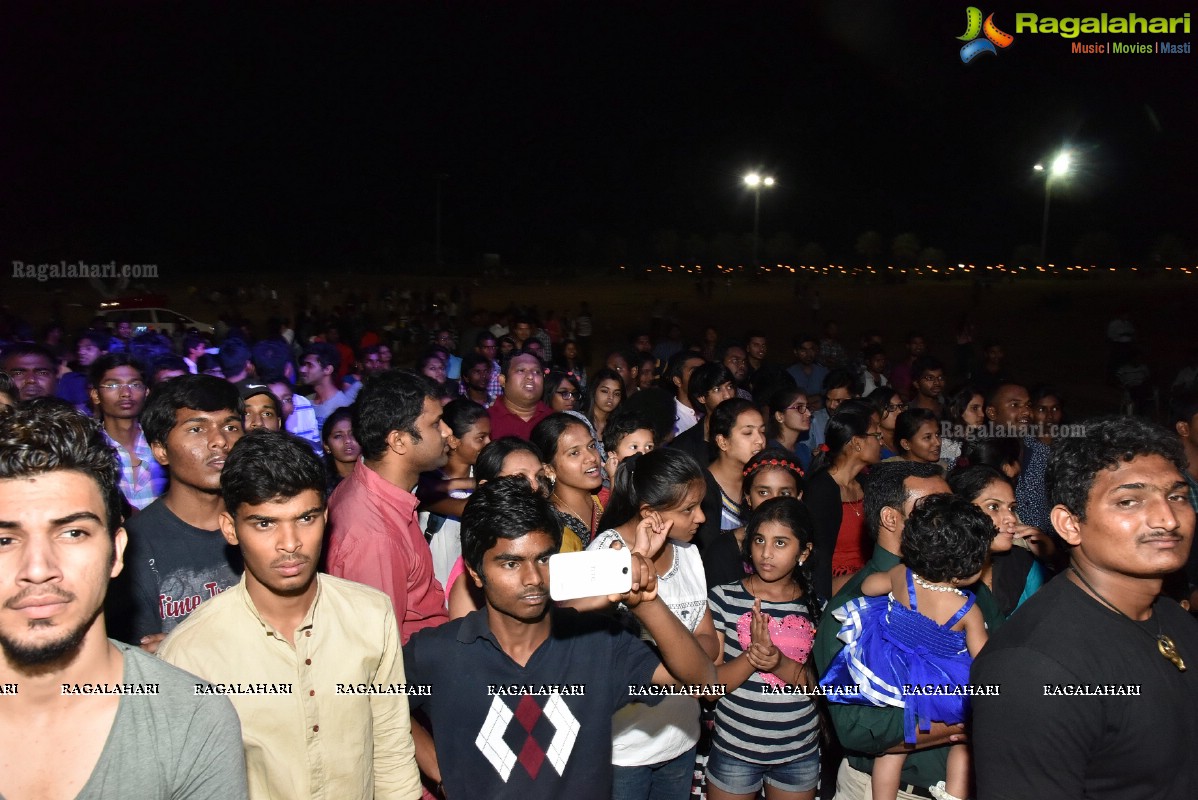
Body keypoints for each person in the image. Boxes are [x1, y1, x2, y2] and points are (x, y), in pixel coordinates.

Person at [402, 476, 719, 798]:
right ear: (474, 572)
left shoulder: (597, 643)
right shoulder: (438, 653)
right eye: (511, 563)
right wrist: (438, 769)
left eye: (544, 558)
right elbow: (376, 699)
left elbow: (705, 685)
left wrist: (647, 603)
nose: (533, 579)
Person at [0, 403, 248, 799]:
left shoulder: (189, 717)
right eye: (5, 540)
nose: (38, 567)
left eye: (73, 533)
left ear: (116, 552)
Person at [158, 429, 422, 800]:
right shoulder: (191, 653)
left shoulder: (371, 614)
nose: (290, 543)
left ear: (326, 517)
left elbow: (391, 746)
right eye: (265, 523)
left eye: (305, 518)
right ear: (231, 529)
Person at [972, 415, 1198, 800]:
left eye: (1176, 496)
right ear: (1069, 524)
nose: (1167, 518)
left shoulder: (1175, 618)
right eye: (1129, 501)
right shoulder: (1031, 668)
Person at [812, 461, 1004, 800]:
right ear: (891, 519)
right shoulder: (854, 609)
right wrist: (964, 720)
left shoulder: (969, 590)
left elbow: (998, 664)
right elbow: (857, 730)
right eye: (931, 507)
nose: (949, 514)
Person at [576, 448, 718, 800]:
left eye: (700, 505)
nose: (700, 517)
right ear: (649, 515)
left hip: (682, 737)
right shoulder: (606, 558)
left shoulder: (688, 551)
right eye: (688, 509)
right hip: (624, 750)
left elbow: (711, 642)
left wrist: (677, 657)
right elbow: (594, 660)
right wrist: (685, 659)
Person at [108, 375, 245, 650]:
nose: (219, 440)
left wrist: (188, 646)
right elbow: (141, 661)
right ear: (160, 451)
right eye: (197, 429)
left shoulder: (267, 524)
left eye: (230, 426)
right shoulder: (133, 546)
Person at [707, 497, 822, 800]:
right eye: (759, 540)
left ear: (804, 551)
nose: (766, 553)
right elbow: (710, 687)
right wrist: (751, 657)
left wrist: (777, 662)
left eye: (781, 543)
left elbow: (820, 688)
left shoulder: (817, 608)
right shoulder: (723, 598)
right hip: (734, 749)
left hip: (797, 752)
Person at [325, 371, 450, 643]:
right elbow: (379, 649)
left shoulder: (369, 485)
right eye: (436, 424)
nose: (447, 432)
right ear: (398, 441)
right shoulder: (377, 537)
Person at [948, 465, 1051, 618]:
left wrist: (1051, 555)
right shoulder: (939, 574)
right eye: (993, 506)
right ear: (961, 512)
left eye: (1011, 508)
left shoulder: (1022, 564)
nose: (1011, 518)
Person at [804, 400, 883, 599]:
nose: (881, 442)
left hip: (868, 578)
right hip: (834, 585)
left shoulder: (866, 484)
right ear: (857, 442)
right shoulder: (822, 489)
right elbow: (818, 561)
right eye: (876, 435)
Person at [704, 446, 806, 589]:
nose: (773, 501)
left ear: (799, 497)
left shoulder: (806, 547)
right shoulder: (723, 552)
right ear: (748, 497)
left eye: (784, 494)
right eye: (763, 492)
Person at [417, 398, 491, 588]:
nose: (489, 443)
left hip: (471, 581)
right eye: (480, 438)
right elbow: (467, 508)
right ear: (453, 440)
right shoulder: (426, 477)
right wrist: (473, 484)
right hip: (435, 577)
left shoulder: (482, 475)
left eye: (489, 436)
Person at [696, 399, 767, 579]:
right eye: (748, 433)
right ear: (722, 441)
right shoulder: (700, 488)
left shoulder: (762, 482)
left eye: (762, 431)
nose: (760, 440)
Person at [88, 353, 168, 511]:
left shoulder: (164, 441)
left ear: (146, 392)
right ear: (96, 395)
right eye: (112, 385)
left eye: (135, 385)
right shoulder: (88, 446)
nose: (125, 393)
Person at [532, 412, 604, 547]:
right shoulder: (551, 526)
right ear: (548, 469)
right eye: (574, 453)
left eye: (591, 446)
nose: (592, 457)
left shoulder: (604, 499)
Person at [488, 351, 553, 440]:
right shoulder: (486, 421)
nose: (530, 376)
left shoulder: (554, 419)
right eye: (521, 371)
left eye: (537, 372)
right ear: (502, 380)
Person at [299, 342, 349, 431]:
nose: (302, 370)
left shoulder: (342, 406)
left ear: (327, 369)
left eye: (309, 365)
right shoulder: (304, 402)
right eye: (303, 365)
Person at [766, 386, 814, 472]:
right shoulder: (770, 453)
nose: (808, 413)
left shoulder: (803, 450)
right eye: (799, 408)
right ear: (780, 416)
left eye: (807, 407)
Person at [667, 351, 707, 438]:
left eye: (705, 372)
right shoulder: (668, 417)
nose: (703, 377)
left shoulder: (712, 410)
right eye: (695, 372)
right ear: (678, 381)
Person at [320, 406, 359, 496]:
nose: (348, 440)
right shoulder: (319, 481)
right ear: (326, 446)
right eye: (338, 436)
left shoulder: (376, 472)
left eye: (353, 434)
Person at [586, 367, 625, 446]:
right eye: (605, 391)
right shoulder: (578, 421)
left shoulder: (620, 426)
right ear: (594, 391)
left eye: (616, 393)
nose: (611, 397)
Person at [787, 335, 828, 400]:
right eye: (803, 350)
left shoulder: (823, 372)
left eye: (811, 349)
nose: (808, 354)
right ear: (796, 352)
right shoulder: (788, 373)